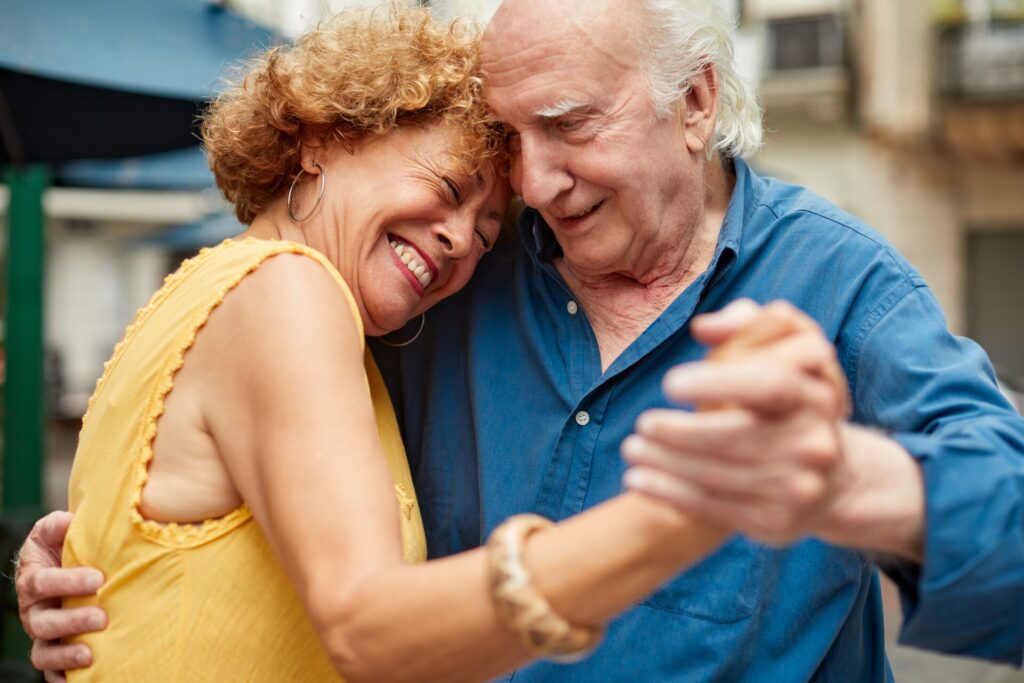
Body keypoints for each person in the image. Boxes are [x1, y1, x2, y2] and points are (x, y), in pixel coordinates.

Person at [18, 0, 1024, 679]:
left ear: (696, 101)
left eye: (568, 124)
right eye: (507, 143)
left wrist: (855, 481)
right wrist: (104, 564)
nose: (532, 183)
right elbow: (259, 495)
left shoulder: (839, 284)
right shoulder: (429, 289)